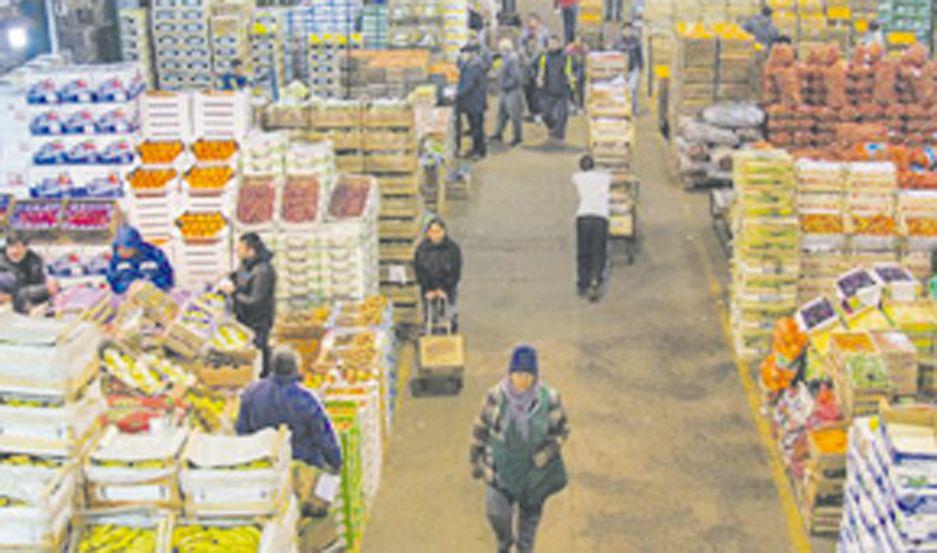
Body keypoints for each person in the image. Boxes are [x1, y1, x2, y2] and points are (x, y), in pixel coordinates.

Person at [470, 344, 570, 553]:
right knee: (496, 514)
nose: (522, 379)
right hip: (499, 472)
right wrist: (475, 459)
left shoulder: (549, 399)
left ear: (535, 375)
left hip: (533, 477)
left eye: (527, 374)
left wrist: (547, 453)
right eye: (518, 373)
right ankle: (505, 543)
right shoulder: (496, 397)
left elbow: (562, 431)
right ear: (510, 373)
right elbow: (480, 428)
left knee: (528, 528)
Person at [236, 347, 342, 472]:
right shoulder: (306, 399)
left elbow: (242, 430)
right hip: (302, 467)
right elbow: (323, 436)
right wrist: (336, 462)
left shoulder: (251, 393)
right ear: (296, 368)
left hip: (263, 465)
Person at [220, 233, 277, 377]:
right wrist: (230, 276)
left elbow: (254, 301)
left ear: (251, 251)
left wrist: (233, 293)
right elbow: (243, 277)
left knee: (259, 351)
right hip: (244, 318)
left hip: (257, 321)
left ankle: (263, 378)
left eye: (239, 249)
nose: (236, 252)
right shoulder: (247, 264)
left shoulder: (263, 271)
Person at [573, 155, 611, 300]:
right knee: (598, 251)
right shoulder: (604, 178)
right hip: (600, 217)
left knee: (583, 251)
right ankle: (596, 279)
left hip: (583, 216)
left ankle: (583, 282)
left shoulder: (577, 177)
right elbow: (607, 171)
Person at [414, 218, 463, 332]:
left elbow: (455, 271)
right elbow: (419, 270)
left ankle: (450, 331)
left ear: (443, 232)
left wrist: (444, 289)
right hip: (428, 288)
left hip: (447, 288)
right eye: (432, 232)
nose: (435, 235)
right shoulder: (422, 249)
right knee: (430, 316)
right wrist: (428, 289)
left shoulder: (452, 249)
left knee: (448, 315)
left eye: (438, 231)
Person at [0, 232, 58, 314]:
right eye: (10, 247)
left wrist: (10, 296)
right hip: (5, 289)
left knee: (23, 293)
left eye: (17, 247)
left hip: (25, 291)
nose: (14, 251)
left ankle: (35, 309)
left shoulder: (34, 262)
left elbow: (35, 285)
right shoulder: (1, 255)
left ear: (26, 248)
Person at [106, 225, 174, 295]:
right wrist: (128, 286)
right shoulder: (115, 260)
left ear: (136, 247)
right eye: (119, 248)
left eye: (126, 249)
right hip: (128, 299)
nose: (122, 252)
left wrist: (150, 285)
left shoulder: (154, 254)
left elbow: (167, 277)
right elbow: (113, 282)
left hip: (154, 296)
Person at [535, 35, 576, 142]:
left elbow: (574, 70)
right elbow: (537, 69)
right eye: (550, 43)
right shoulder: (543, 57)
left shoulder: (566, 57)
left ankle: (559, 135)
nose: (552, 46)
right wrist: (539, 78)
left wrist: (572, 79)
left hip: (563, 90)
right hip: (547, 90)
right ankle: (553, 128)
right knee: (546, 114)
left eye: (554, 43)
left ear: (559, 44)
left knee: (562, 115)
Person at [456, 44, 489, 160]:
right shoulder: (474, 64)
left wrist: (456, 94)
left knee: (477, 128)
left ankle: (479, 152)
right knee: (476, 126)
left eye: (463, 54)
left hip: (474, 102)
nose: (462, 56)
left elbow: (467, 85)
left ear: (470, 53)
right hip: (475, 101)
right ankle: (477, 149)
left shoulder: (474, 66)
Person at [491, 39, 525, 147]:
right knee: (501, 114)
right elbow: (498, 72)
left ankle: (517, 137)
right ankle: (498, 134)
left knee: (515, 115)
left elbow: (517, 78)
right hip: (504, 91)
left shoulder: (511, 60)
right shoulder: (501, 59)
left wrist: (505, 85)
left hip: (512, 91)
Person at [520, 14, 550, 120]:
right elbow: (521, 46)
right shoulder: (524, 33)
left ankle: (541, 112)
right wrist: (525, 58)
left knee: (539, 89)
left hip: (540, 63)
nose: (530, 24)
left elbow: (548, 46)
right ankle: (532, 111)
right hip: (527, 64)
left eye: (532, 21)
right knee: (528, 88)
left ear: (538, 22)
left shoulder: (544, 32)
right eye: (528, 22)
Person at [613, 21, 644, 116]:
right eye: (625, 30)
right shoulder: (617, 43)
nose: (627, 32)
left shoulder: (635, 41)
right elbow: (614, 56)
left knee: (633, 89)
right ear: (622, 31)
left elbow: (640, 55)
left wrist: (641, 66)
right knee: (622, 90)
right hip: (621, 70)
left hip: (633, 68)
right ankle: (622, 108)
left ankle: (634, 108)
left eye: (629, 30)